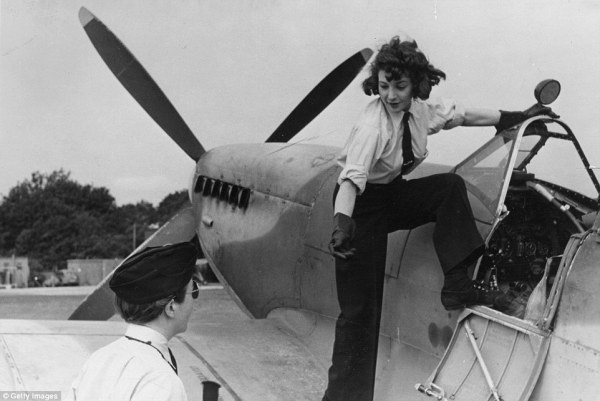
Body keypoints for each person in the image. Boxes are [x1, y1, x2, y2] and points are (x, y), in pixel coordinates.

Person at [322, 37, 557, 401]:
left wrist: (513, 117)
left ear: (416, 84)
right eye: (383, 86)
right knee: (360, 311)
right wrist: (342, 224)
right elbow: (352, 179)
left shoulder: (418, 112)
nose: (391, 95)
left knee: (448, 187)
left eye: (400, 86)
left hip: (390, 195)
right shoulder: (372, 127)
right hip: (359, 208)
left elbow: (461, 115)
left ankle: (457, 283)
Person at [66, 241, 199, 401]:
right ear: (171, 307)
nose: (195, 301)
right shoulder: (162, 381)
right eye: (194, 291)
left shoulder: (98, 359)